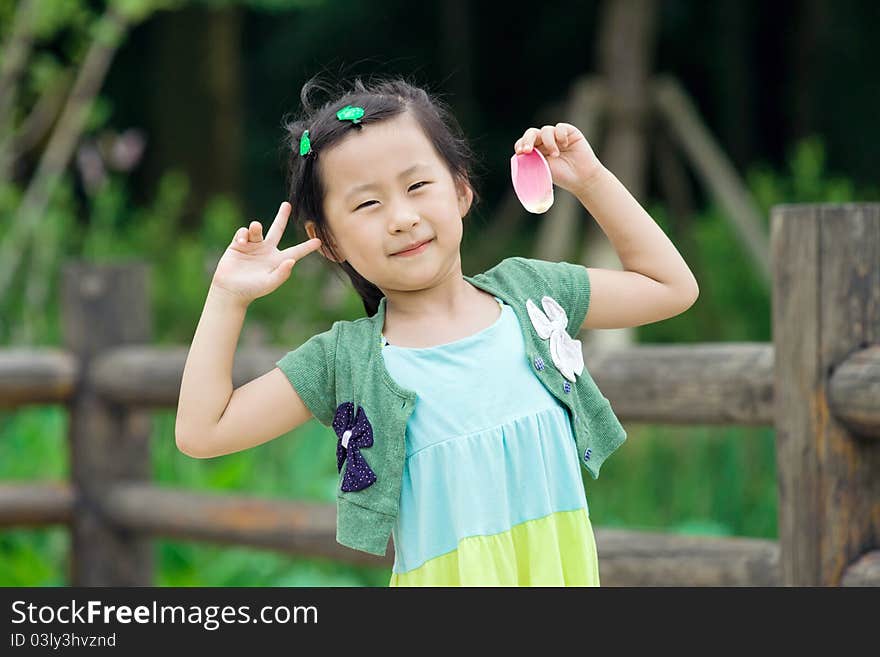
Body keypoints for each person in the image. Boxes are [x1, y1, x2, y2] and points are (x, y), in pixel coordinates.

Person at [175, 76, 699, 587]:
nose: (401, 217)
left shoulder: (531, 294)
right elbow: (203, 433)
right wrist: (227, 296)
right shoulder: (349, 360)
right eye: (367, 204)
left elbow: (670, 287)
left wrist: (591, 180)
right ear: (327, 240)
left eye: (418, 186)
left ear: (462, 188)